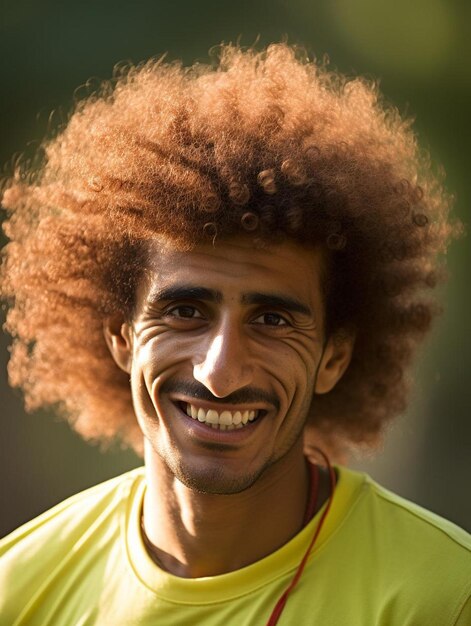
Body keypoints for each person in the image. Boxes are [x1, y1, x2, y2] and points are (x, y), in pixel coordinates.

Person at [0, 43, 469, 625]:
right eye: (185, 312)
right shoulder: (20, 588)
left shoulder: (443, 598)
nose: (219, 373)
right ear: (120, 335)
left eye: (272, 320)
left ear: (335, 357)